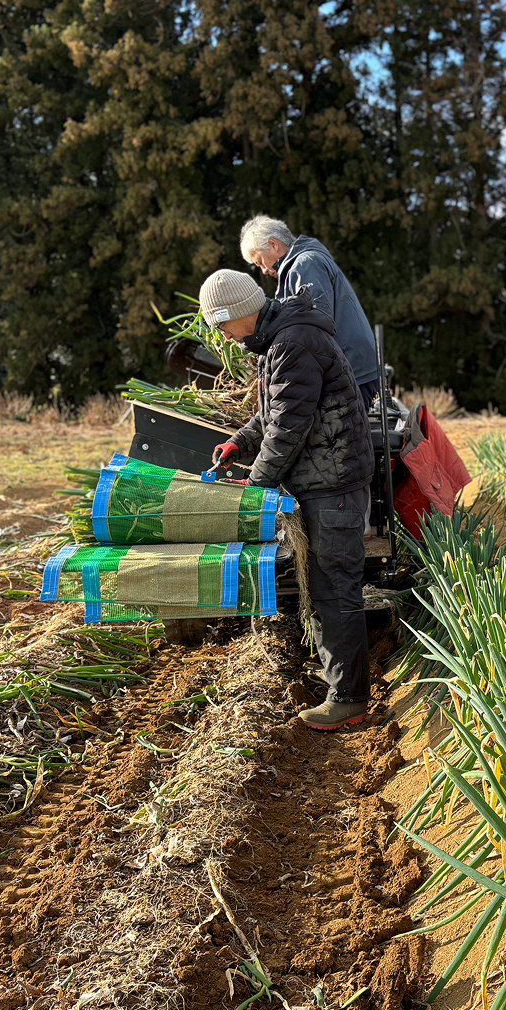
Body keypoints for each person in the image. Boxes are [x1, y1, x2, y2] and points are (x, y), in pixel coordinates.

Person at [199, 267, 375, 731]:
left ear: (240, 313)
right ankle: (339, 680)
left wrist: (256, 483)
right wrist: (239, 440)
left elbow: (289, 428)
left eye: (220, 324)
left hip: (332, 484)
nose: (220, 334)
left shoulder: (292, 342)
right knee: (323, 586)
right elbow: (273, 413)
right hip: (324, 479)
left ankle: (350, 698)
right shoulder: (280, 338)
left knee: (334, 588)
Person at [238, 216, 379, 412]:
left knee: (341, 437)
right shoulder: (297, 267)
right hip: (351, 366)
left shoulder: (306, 265)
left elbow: (314, 322)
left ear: (273, 244)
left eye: (260, 262)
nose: (263, 270)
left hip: (351, 369)